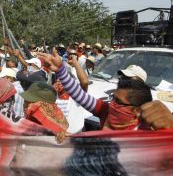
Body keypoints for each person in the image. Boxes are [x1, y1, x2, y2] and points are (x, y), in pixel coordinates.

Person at [38, 49, 173, 130]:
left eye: (118, 102)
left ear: (137, 111)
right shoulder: (106, 110)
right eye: (113, 98)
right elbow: (79, 95)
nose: (112, 104)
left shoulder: (149, 131)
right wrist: (61, 70)